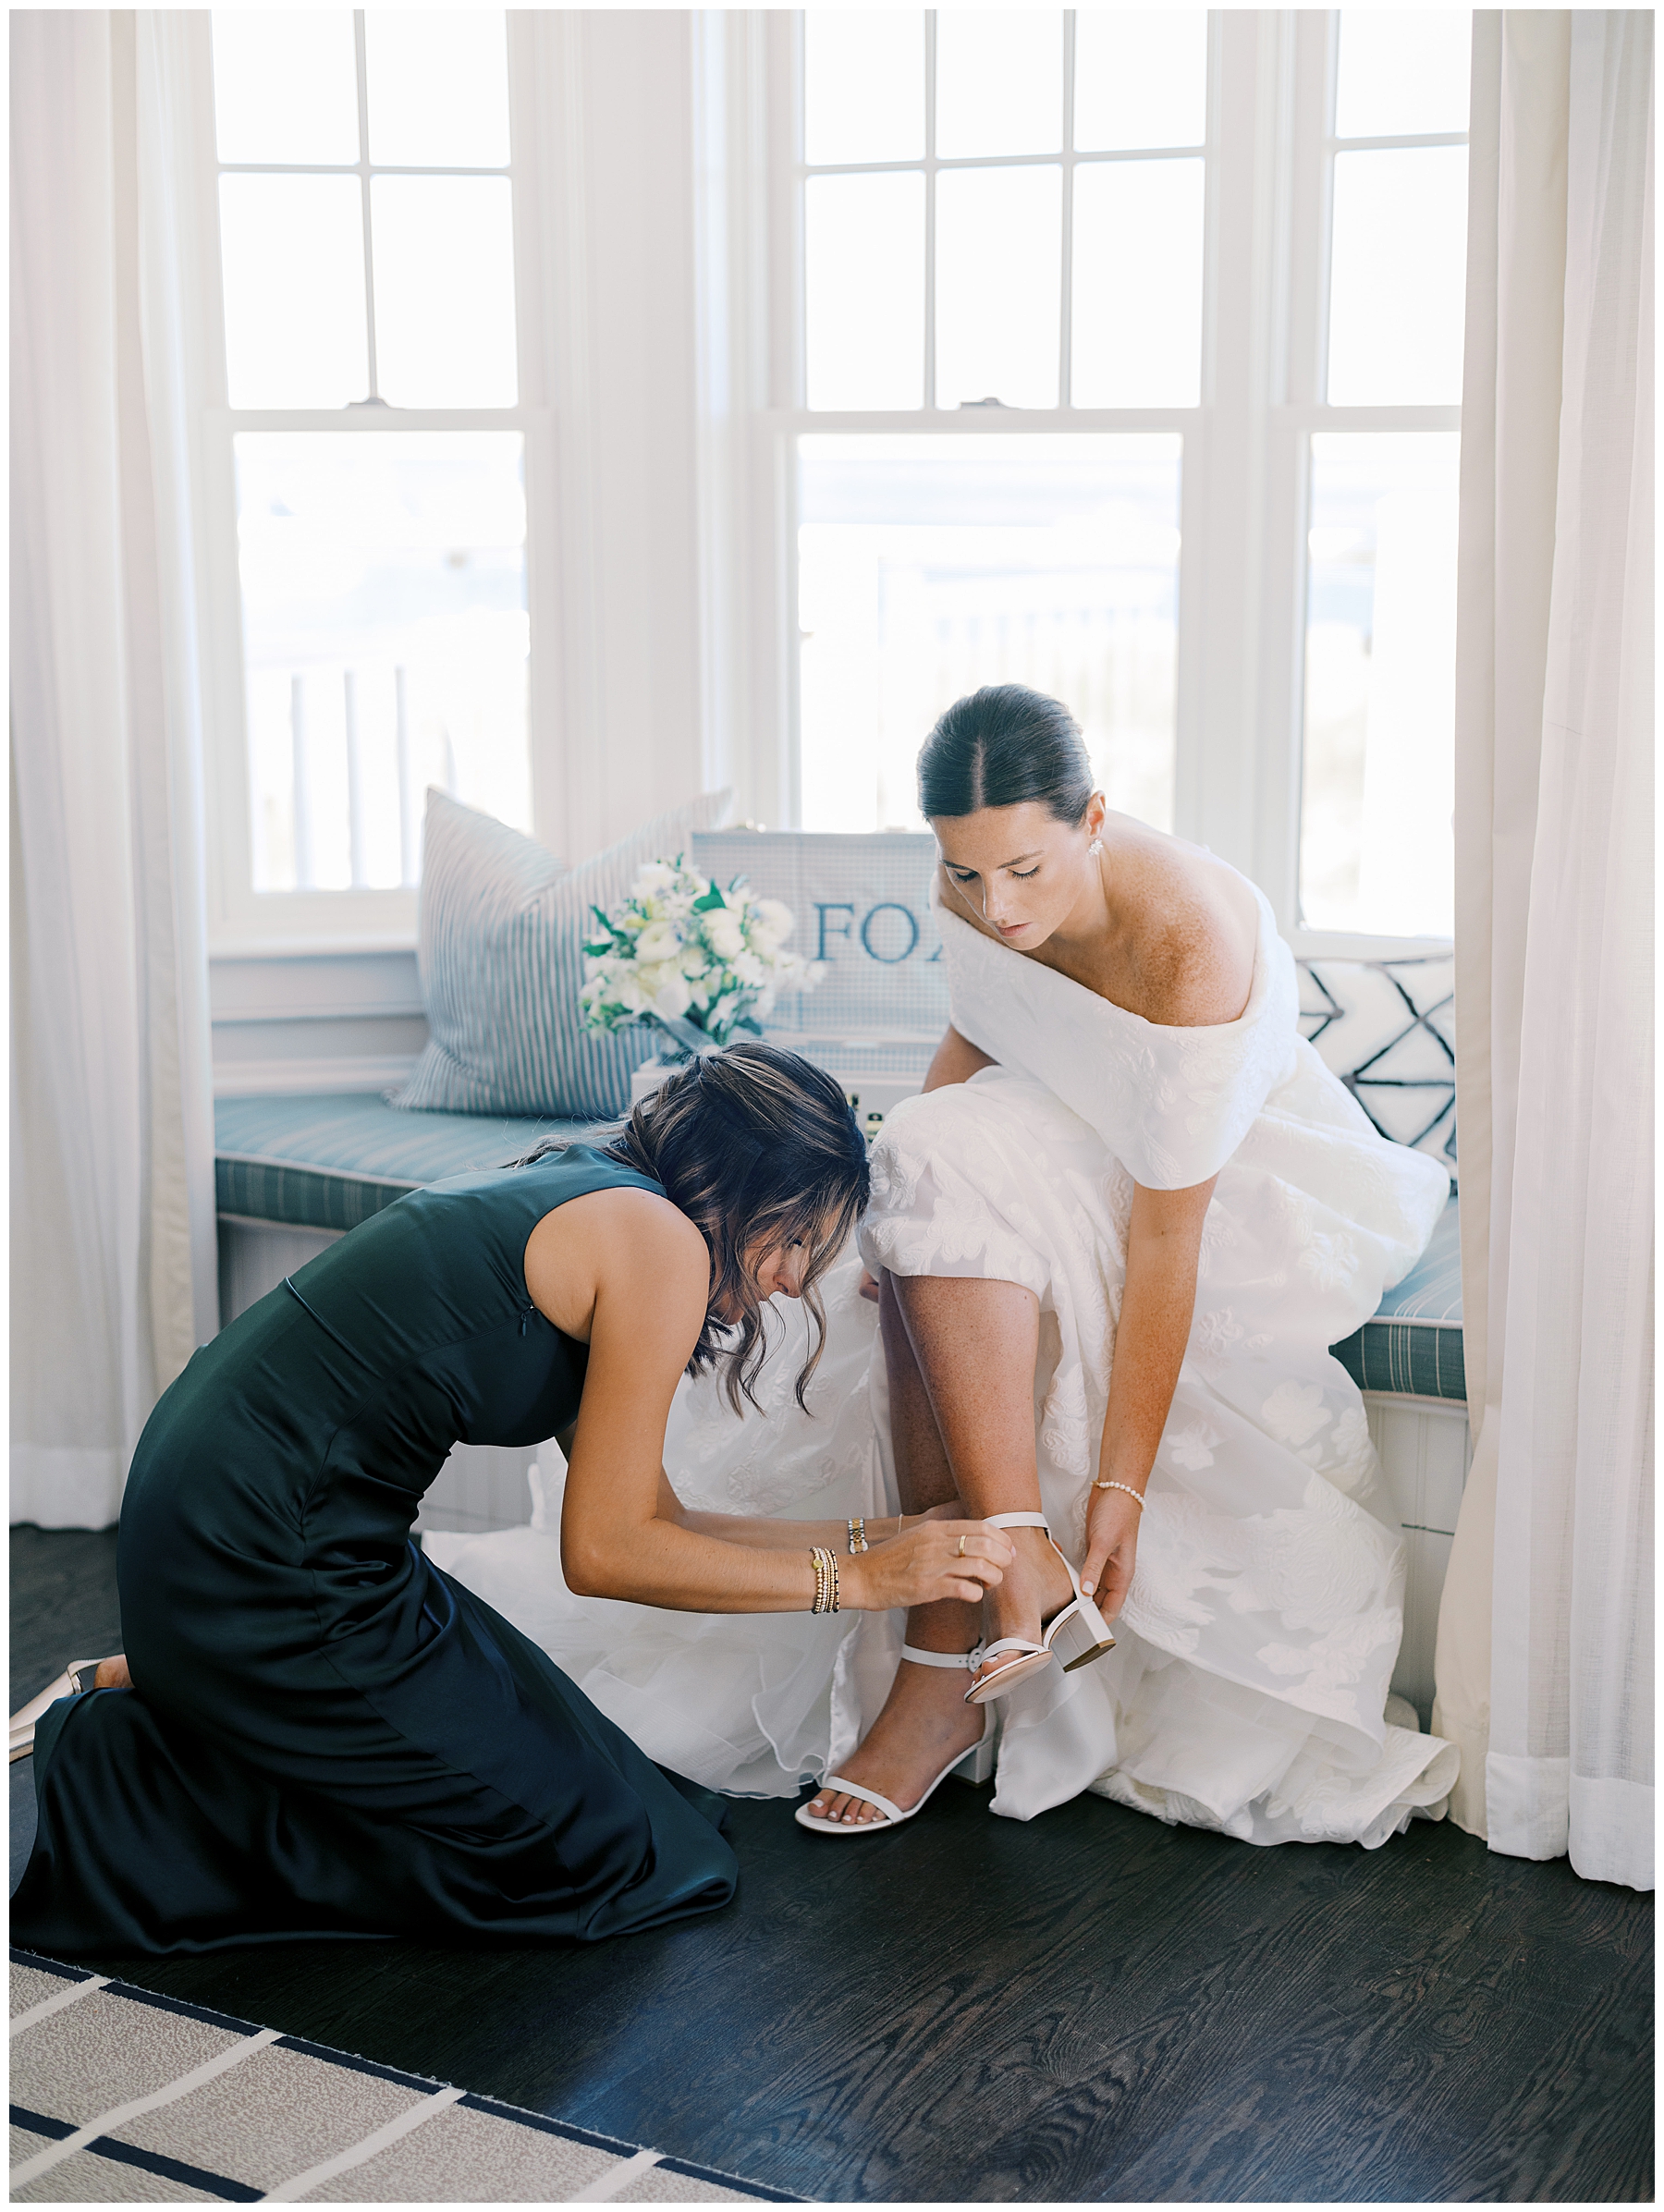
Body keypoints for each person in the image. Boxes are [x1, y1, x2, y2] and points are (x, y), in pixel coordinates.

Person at [434, 686, 1460, 1850]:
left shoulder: (1185, 945)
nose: (996, 903)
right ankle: (997, 1569)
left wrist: (1120, 1487)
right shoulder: (973, 884)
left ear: (1094, 819)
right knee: (920, 1174)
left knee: (944, 1171)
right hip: (1060, 1133)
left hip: (1228, 1182)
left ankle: (945, 1650)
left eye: (1025, 869)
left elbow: (1167, 1237)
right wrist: (907, 1225)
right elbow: (981, 1033)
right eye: (966, 872)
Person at [9, 1044, 1010, 1954]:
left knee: (646, 1806)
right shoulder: (656, 1244)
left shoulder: (593, 1188)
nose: (792, 1281)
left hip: (228, 1512)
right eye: (793, 1237)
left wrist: (879, 1534)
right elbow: (606, 1555)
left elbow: (656, 1516)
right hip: (272, 1554)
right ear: (738, 1186)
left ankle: (205, 1675)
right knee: (613, 1861)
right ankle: (125, 1777)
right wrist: (861, 1581)